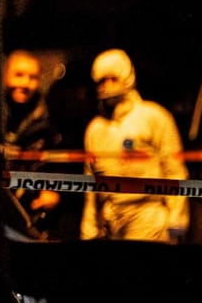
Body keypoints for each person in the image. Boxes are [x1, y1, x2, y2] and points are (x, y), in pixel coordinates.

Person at [79, 47, 187, 242]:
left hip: (148, 216)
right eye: (101, 81)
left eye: (113, 79)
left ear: (127, 77)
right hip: (111, 219)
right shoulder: (95, 129)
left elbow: (175, 172)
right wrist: (89, 228)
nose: (106, 86)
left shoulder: (153, 117)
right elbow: (90, 183)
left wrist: (177, 223)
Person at [0, 48, 71, 238]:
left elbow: (61, 163)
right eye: (19, 75)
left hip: (32, 221)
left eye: (32, 77)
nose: (25, 83)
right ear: (6, 76)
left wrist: (57, 194)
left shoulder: (48, 122)